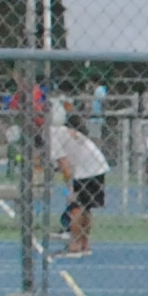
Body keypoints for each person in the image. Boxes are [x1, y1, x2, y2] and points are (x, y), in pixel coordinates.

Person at [51, 110, 111, 258]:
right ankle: (84, 244)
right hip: (96, 165)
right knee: (86, 207)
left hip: (87, 169)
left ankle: (75, 246)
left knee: (76, 208)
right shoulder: (60, 131)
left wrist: (70, 187)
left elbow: (64, 163)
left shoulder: (52, 135)